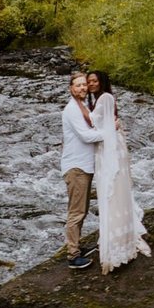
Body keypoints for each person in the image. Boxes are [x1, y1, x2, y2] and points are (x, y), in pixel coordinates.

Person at [80, 71, 151, 274]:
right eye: (88, 81)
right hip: (108, 146)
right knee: (111, 189)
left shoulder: (105, 97)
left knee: (112, 187)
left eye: (94, 81)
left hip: (111, 149)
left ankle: (119, 239)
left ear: (102, 82)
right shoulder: (100, 100)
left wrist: (77, 104)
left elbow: (92, 120)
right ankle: (116, 235)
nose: (90, 84)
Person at [61, 73, 103, 270]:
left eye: (84, 85)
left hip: (84, 166)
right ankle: (73, 256)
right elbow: (86, 136)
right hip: (75, 166)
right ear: (71, 88)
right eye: (78, 85)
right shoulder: (72, 110)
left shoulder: (82, 106)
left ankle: (77, 247)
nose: (82, 88)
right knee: (76, 212)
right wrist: (110, 132)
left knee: (82, 210)